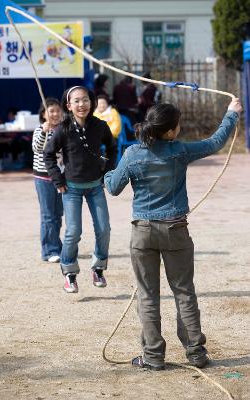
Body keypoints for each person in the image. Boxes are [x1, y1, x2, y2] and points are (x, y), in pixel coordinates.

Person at [104, 98, 242, 370]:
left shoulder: (132, 154)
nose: (179, 129)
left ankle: (153, 358)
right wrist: (231, 114)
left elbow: (113, 187)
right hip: (176, 230)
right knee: (184, 292)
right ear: (168, 132)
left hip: (142, 233)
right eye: (177, 126)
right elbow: (215, 143)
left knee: (148, 296)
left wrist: (107, 172)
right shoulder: (179, 151)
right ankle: (196, 354)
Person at [44, 86, 117, 293]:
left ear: (91, 102)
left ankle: (98, 268)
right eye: (76, 101)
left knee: (104, 229)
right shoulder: (62, 128)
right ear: (69, 105)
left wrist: (108, 172)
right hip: (71, 189)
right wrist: (57, 180)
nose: (81, 104)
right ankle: (69, 273)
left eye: (85, 100)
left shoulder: (100, 126)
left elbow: (112, 148)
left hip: (96, 187)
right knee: (73, 231)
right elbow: (48, 154)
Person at [32, 98, 63, 263]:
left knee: (58, 215)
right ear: (43, 114)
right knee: (48, 216)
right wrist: (45, 131)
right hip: (43, 178)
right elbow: (37, 147)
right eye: (51, 111)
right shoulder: (39, 130)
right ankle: (49, 251)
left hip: (60, 178)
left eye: (58, 110)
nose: (55, 114)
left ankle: (56, 246)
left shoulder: (63, 130)